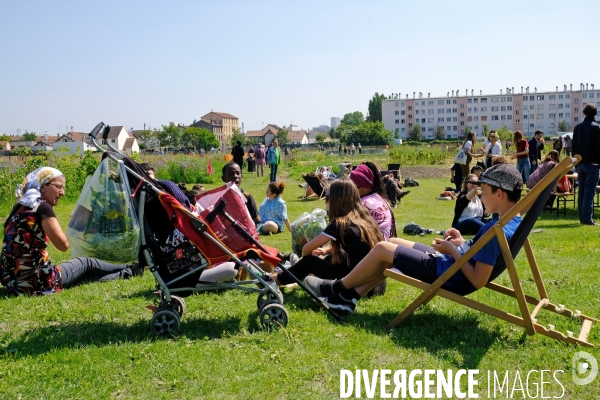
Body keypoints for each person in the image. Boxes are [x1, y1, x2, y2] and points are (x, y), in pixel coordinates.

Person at [305, 163, 524, 313]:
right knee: (391, 243)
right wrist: (460, 242)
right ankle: (348, 298)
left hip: (447, 272)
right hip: (449, 263)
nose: (481, 198)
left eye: (483, 192)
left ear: (500, 193)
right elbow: (477, 252)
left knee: (383, 249)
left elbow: (477, 280)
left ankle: (336, 288)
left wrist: (452, 251)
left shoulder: (496, 230)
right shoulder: (514, 221)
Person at [1, 167, 142, 296]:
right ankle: (133, 266)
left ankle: (128, 272)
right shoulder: (42, 208)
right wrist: (78, 223)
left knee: (82, 277)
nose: (63, 193)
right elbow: (63, 246)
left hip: (14, 284)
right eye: (58, 187)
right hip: (37, 281)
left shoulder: (19, 208)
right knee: (86, 263)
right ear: (42, 187)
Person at [272, 179, 384, 294]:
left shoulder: (341, 223)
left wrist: (306, 265)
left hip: (358, 284)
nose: (325, 202)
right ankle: (297, 279)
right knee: (333, 258)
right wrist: (326, 250)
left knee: (309, 261)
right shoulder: (364, 218)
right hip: (377, 285)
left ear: (337, 200)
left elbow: (306, 249)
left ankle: (275, 279)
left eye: (327, 197)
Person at [572, 103, 600, 225]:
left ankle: (582, 218)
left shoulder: (577, 128)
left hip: (580, 163)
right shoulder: (596, 128)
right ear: (595, 113)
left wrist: (576, 164)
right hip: (593, 164)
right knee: (589, 192)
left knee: (582, 191)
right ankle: (587, 219)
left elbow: (574, 147)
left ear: (584, 112)